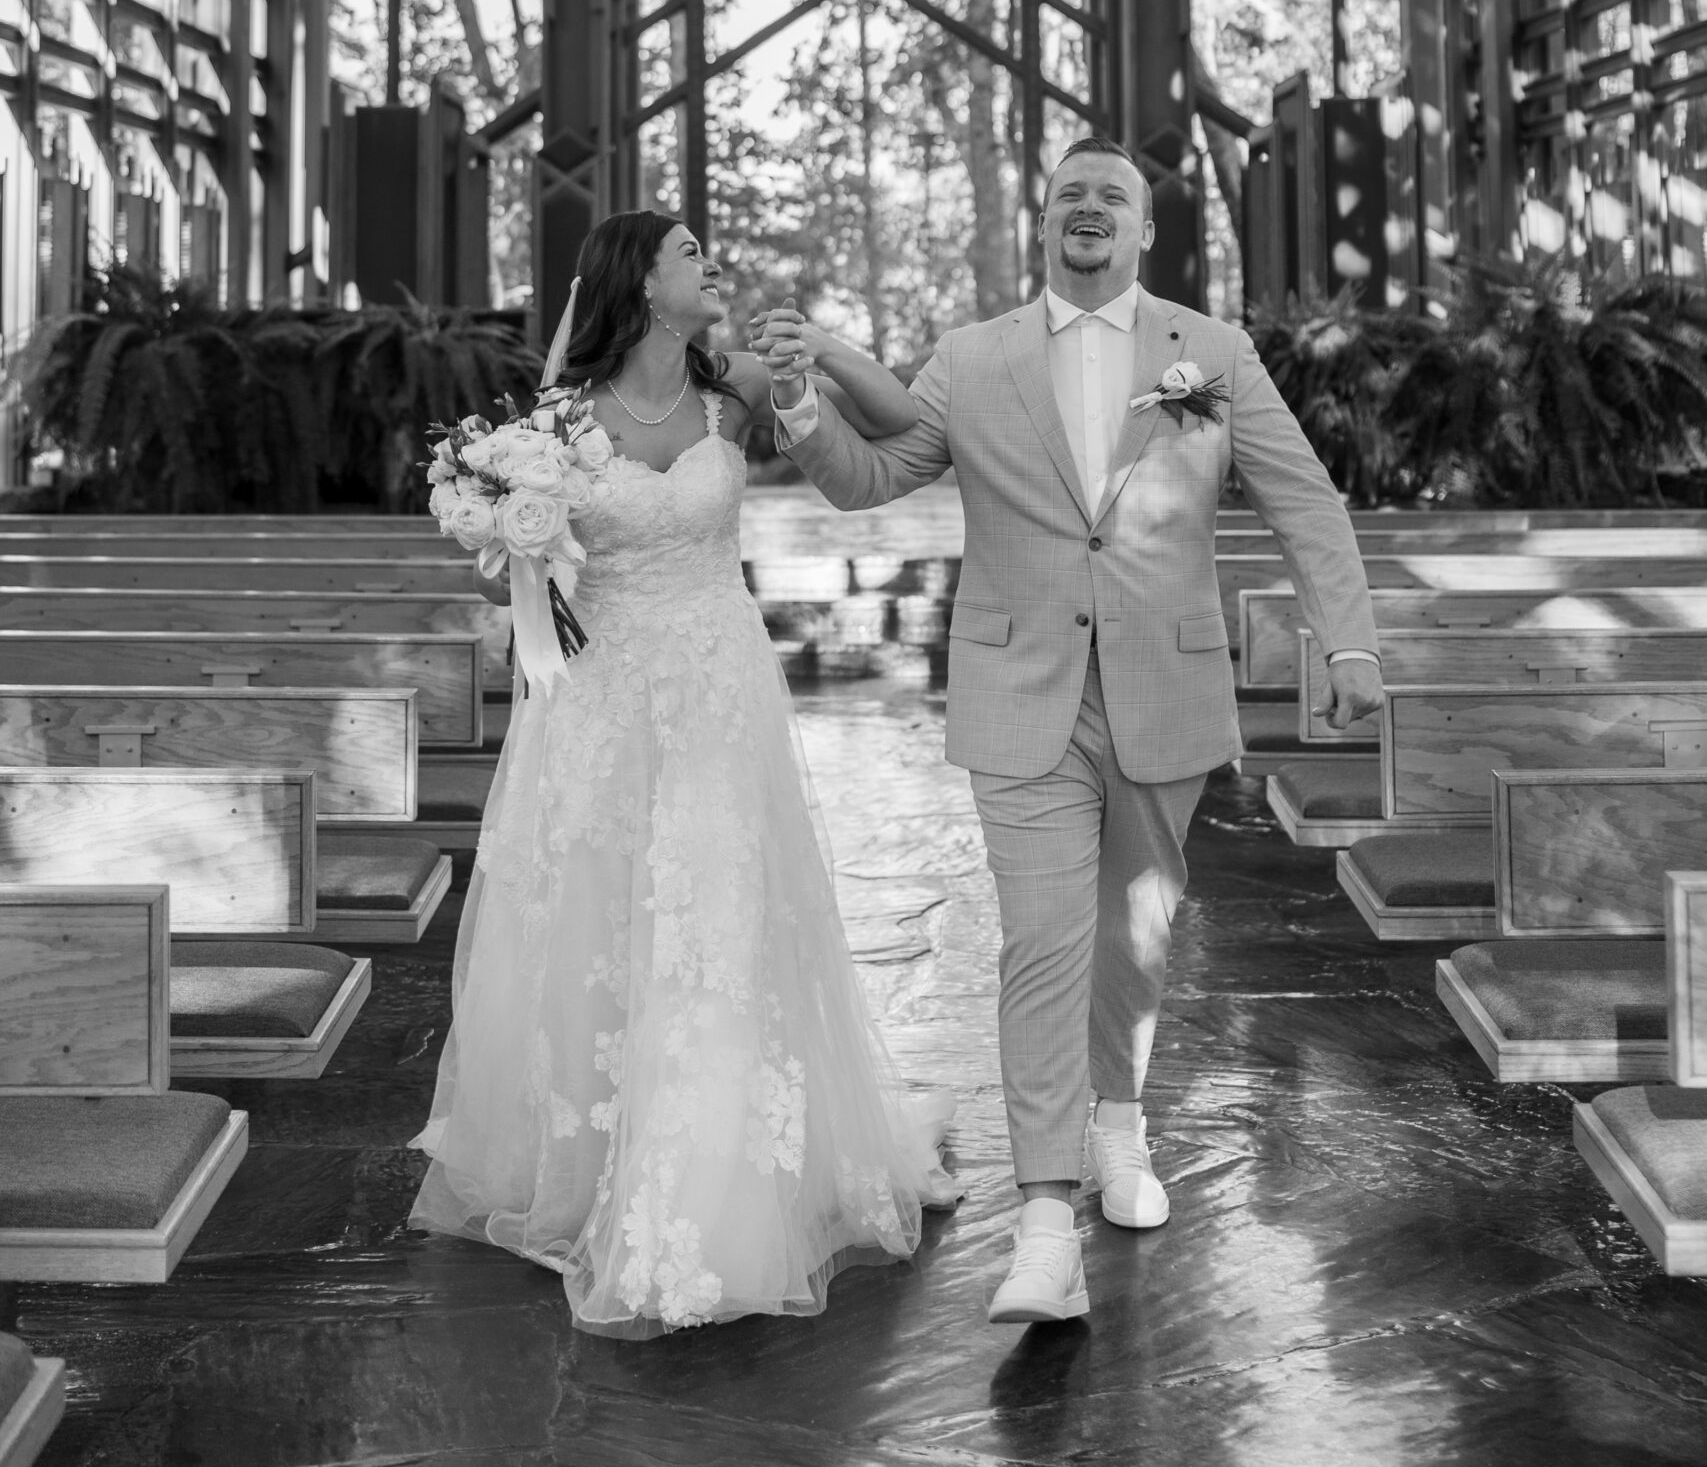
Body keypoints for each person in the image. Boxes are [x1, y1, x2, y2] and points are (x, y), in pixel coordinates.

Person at [765, 136, 1383, 1326]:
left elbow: (1304, 497)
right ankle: (1045, 1219)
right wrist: (801, 399)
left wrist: (1345, 640)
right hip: (1022, 692)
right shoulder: (972, 356)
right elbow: (871, 474)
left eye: (1115, 196)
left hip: (1167, 688)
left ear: (1147, 233)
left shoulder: (1211, 352)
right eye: (1069, 194)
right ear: (1041, 225)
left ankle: (1120, 1126)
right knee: (1043, 940)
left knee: (1137, 935)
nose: (1088, 207)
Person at [409, 212, 956, 1336]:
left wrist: (828, 348)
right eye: (690, 250)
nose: (712, 261)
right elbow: (510, 588)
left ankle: (715, 1178)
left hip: (716, 693)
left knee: (715, 918)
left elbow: (914, 426)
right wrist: (501, 532)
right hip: (602, 705)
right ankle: (597, 1157)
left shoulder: (736, 388)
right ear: (642, 283)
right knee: (603, 921)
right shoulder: (554, 423)